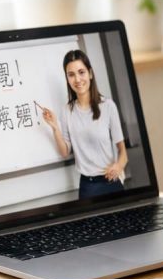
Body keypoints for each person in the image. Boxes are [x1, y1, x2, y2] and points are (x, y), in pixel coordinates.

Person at [41, 49, 128, 199]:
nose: (77, 79)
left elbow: (123, 153)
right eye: (71, 75)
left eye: (81, 72)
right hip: (88, 187)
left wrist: (118, 166)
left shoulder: (108, 106)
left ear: (90, 73)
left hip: (111, 182)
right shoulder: (67, 111)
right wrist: (55, 127)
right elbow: (64, 151)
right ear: (67, 79)